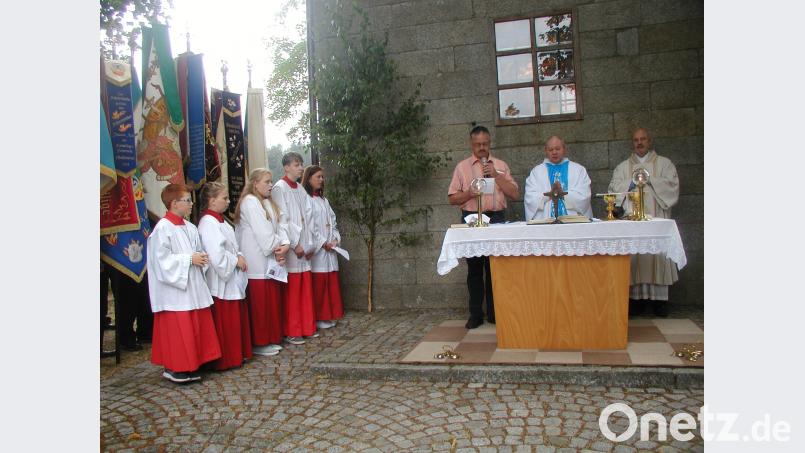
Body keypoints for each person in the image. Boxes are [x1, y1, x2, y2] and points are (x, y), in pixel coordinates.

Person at [147, 183, 221, 383]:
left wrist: (201, 258)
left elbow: (198, 250)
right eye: (187, 200)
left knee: (195, 326)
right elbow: (161, 261)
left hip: (193, 286)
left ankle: (194, 363)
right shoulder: (162, 228)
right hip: (175, 292)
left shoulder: (190, 227)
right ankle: (175, 367)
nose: (191, 204)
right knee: (179, 330)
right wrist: (189, 259)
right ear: (173, 203)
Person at [447, 125, 519, 329]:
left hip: (496, 218)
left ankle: (495, 313)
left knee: (495, 267)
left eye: (485, 144)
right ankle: (476, 314)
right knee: (475, 268)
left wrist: (496, 176)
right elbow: (452, 199)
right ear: (471, 144)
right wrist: (469, 193)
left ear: (490, 143)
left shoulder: (500, 165)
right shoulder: (462, 167)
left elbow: (515, 194)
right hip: (471, 219)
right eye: (477, 144)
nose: (481, 148)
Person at [608, 127, 680, 317]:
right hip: (633, 222)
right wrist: (631, 183)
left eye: (643, 139)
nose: (639, 143)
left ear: (649, 141)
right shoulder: (623, 167)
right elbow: (614, 189)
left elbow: (672, 187)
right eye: (636, 140)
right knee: (635, 257)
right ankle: (636, 301)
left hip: (656, 218)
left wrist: (649, 179)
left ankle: (659, 302)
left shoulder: (665, 164)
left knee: (658, 257)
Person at [234, 169, 290, 356]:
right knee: (260, 305)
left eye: (271, 181)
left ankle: (271, 337)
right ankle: (260, 341)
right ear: (255, 183)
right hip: (256, 260)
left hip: (269, 259)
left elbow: (280, 225)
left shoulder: (266, 202)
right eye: (267, 181)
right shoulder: (250, 202)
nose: (271, 185)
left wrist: (285, 244)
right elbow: (264, 235)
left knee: (270, 303)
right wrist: (278, 246)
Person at [197, 182, 253, 369]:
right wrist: (235, 260)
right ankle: (227, 359)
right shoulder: (208, 223)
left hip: (231, 277)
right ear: (212, 201)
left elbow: (233, 245)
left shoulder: (220, 221)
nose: (228, 201)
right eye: (224, 198)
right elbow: (216, 254)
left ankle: (237, 354)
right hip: (221, 280)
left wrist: (239, 256)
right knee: (225, 320)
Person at [272, 152, 318, 344]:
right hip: (291, 248)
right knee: (293, 291)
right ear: (286, 167)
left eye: (301, 164)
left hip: (303, 245)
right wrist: (295, 243)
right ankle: (293, 330)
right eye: (297, 165)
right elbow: (283, 219)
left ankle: (307, 326)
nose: (301, 168)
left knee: (305, 289)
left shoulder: (299, 188)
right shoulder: (279, 188)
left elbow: (309, 216)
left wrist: (310, 244)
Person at [301, 165, 344, 329]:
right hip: (318, 251)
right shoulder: (307, 200)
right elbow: (309, 227)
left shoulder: (324, 201)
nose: (321, 180)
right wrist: (322, 242)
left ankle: (328, 315)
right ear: (308, 178)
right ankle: (319, 316)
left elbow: (332, 222)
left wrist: (335, 239)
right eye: (317, 177)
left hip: (330, 248)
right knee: (319, 285)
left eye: (322, 177)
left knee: (329, 283)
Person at [524, 135, 592, 221]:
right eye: (550, 150)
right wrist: (548, 195)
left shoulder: (578, 170)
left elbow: (584, 194)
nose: (554, 152)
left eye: (557, 149)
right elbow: (530, 197)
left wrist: (563, 194)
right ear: (545, 151)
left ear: (564, 149)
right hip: (546, 220)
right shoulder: (536, 172)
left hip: (573, 220)